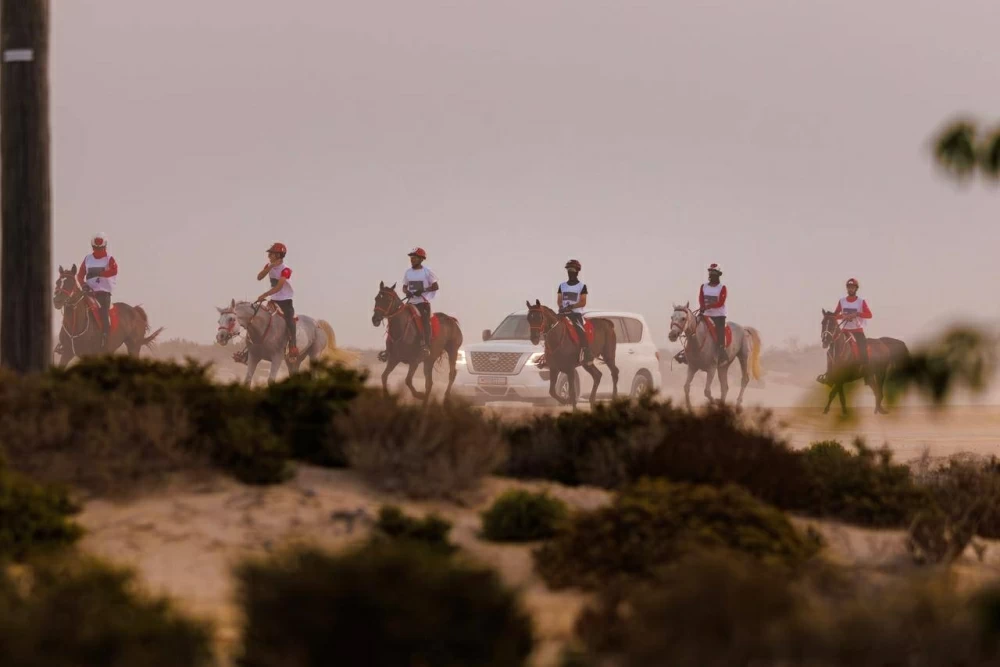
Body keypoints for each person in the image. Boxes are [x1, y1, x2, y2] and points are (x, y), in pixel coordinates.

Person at [256, 242, 298, 361]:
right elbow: (259, 277)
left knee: (290, 321)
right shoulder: (268, 265)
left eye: (272, 253)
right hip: (273, 300)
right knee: (259, 318)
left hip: (285, 301)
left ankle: (293, 347)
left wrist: (264, 294)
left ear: (279, 255)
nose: (269, 255)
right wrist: (269, 267)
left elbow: (279, 287)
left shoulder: (286, 270)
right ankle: (251, 349)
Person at [77, 232, 118, 351]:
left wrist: (101, 273)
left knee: (103, 314)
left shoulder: (109, 259)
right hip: (88, 293)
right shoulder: (87, 258)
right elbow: (80, 275)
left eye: (100, 248)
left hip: (103, 293)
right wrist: (83, 285)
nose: (98, 250)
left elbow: (114, 271)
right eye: (95, 248)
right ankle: (67, 341)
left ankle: (105, 338)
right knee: (74, 308)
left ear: (105, 246)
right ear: (92, 247)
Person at [402, 247, 439, 356]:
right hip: (410, 302)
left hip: (423, 303)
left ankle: (426, 346)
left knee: (425, 322)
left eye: (415, 258)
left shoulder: (427, 272)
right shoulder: (408, 272)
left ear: (421, 259)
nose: (412, 260)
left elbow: (435, 286)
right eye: (411, 258)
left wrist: (423, 290)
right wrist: (407, 292)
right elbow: (404, 287)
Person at [833, 277, 872, 377]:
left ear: (856, 289)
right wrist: (843, 316)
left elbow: (869, 315)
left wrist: (857, 314)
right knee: (833, 344)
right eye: (849, 287)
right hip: (844, 330)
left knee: (863, 346)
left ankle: (866, 371)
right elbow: (835, 316)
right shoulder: (841, 301)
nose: (851, 289)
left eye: (852, 287)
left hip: (857, 330)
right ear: (847, 288)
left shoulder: (861, 301)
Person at [557, 259, 594, 366]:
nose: (570, 272)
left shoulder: (582, 286)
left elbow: (583, 302)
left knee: (580, 329)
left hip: (576, 314)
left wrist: (571, 306)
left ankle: (587, 352)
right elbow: (559, 300)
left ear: (577, 271)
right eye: (568, 270)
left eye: (572, 270)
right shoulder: (562, 286)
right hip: (563, 312)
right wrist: (561, 307)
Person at [699, 263, 728, 362]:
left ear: (718, 274)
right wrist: (702, 306)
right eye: (710, 272)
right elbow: (701, 298)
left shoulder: (722, 288)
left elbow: (720, 302)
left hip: (719, 315)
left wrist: (708, 306)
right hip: (706, 314)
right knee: (694, 328)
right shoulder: (704, 286)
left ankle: (722, 352)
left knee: (720, 333)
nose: (711, 274)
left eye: (714, 272)